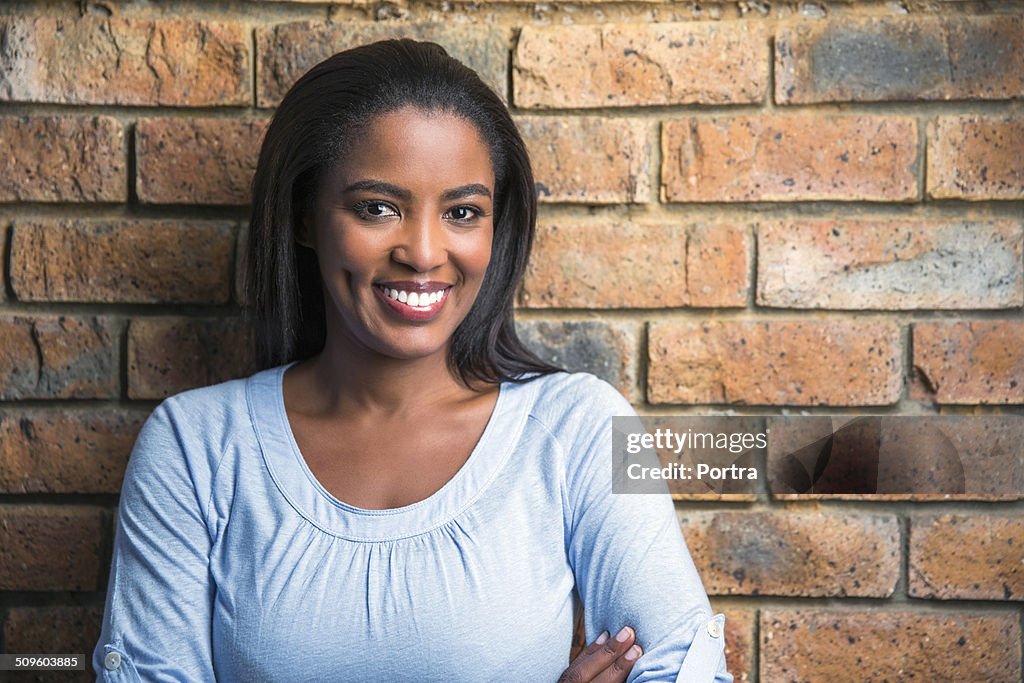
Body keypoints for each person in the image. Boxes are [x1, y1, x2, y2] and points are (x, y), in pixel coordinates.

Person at [93, 39, 732, 682]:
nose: (424, 252)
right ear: (305, 216)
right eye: (378, 208)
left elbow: (687, 667)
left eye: (462, 212)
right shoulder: (194, 447)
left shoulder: (584, 427)